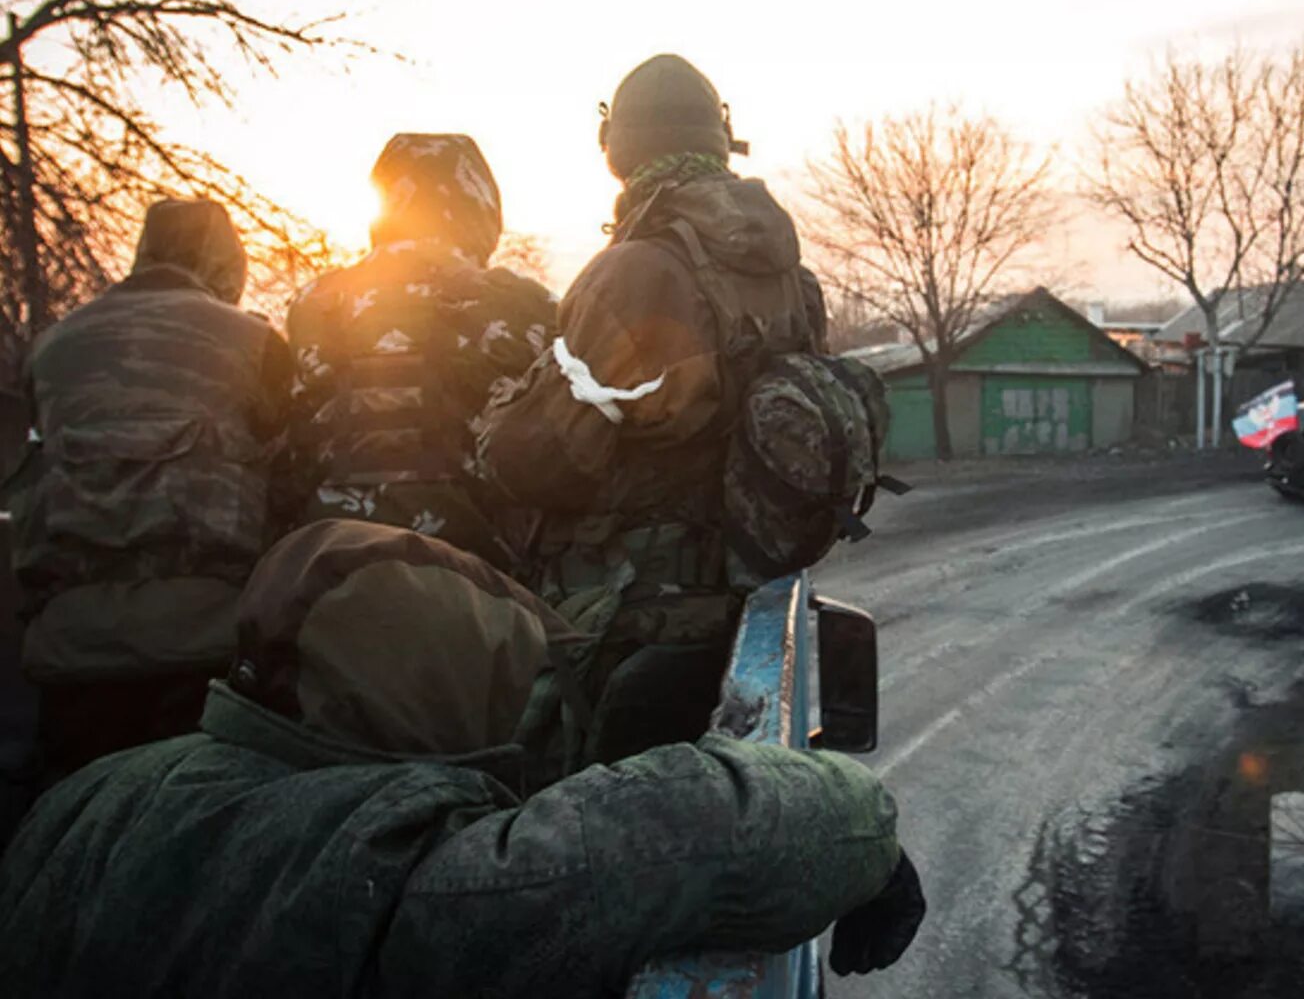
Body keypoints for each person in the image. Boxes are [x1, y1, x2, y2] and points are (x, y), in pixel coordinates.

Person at [0, 519, 925, 997]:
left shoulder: (83, 802)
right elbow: (705, 825)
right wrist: (868, 838)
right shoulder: (402, 871)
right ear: (444, 698)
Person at [476, 54, 824, 767]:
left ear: (619, 151)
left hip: (630, 617)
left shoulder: (635, 271)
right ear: (722, 140)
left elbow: (544, 463)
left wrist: (497, 417)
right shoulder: (794, 280)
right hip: (741, 606)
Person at [4, 199, 291, 781]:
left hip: (71, 650)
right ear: (226, 265)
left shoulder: (54, 346)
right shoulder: (254, 342)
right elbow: (289, 473)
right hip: (205, 648)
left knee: (71, 832)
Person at [286, 133, 558, 570]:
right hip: (485, 581)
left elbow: (291, 446)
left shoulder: (316, 302)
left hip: (327, 569)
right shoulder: (528, 307)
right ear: (481, 208)